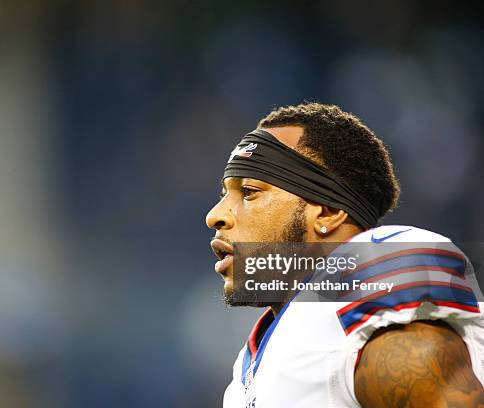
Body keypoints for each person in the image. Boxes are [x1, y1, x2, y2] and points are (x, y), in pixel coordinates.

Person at [206, 103, 484, 407]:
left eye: (249, 191)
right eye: (225, 195)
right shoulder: (251, 364)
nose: (216, 216)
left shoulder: (365, 295)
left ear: (327, 212)